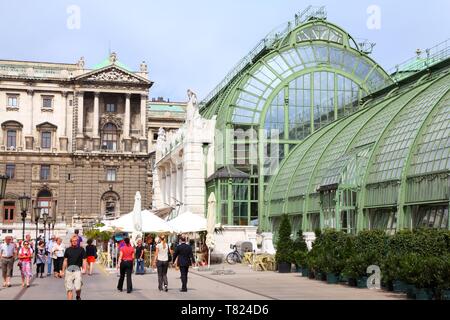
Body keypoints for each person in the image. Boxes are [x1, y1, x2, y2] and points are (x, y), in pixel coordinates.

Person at [61, 235, 87, 300]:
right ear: (71, 242)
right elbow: (65, 260)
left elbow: (84, 260)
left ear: (78, 241)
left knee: (78, 287)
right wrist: (63, 271)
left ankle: (78, 296)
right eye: (73, 241)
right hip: (69, 271)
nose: (74, 242)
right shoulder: (67, 250)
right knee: (69, 289)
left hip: (77, 270)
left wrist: (84, 269)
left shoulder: (81, 249)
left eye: (76, 241)